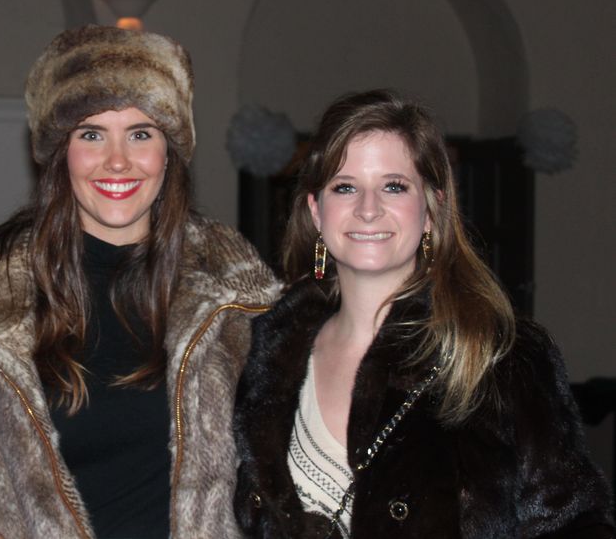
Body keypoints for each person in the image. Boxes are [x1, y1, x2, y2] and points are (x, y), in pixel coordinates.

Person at [0, 25, 282, 538]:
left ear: (169, 151)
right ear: (59, 151)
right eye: (91, 133)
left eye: (140, 133)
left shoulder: (237, 295)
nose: (117, 160)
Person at [232, 90, 615, 538]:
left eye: (394, 186)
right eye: (345, 186)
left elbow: (576, 524)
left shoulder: (499, 355)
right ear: (317, 211)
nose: (368, 208)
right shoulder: (269, 353)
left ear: (431, 208)